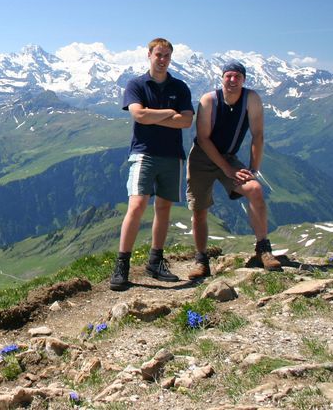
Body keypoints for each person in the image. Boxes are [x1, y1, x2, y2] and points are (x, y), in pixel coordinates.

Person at [109, 38, 194, 291]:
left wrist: (152, 115)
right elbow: (138, 114)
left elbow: (186, 121)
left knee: (164, 208)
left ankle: (155, 261)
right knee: (136, 205)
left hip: (172, 155)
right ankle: (122, 264)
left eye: (167, 55)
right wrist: (169, 112)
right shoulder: (136, 84)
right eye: (159, 54)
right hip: (143, 153)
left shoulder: (180, 87)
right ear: (149, 55)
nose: (162, 59)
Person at [186, 60, 282, 279]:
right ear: (221, 78)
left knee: (254, 189)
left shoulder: (251, 99)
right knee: (199, 210)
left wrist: (253, 169)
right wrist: (227, 169)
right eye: (228, 76)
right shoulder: (209, 100)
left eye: (237, 76)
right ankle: (201, 260)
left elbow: (258, 135)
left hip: (229, 156)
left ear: (244, 80)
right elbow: (203, 138)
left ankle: (263, 249)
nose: (232, 80)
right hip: (201, 158)